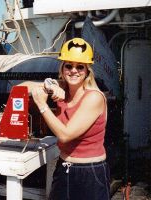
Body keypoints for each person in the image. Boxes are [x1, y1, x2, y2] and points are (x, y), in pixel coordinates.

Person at [31, 38, 110, 200]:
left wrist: (42, 105)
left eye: (80, 66)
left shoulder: (94, 97)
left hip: (90, 172)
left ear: (87, 70)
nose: (74, 70)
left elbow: (65, 135)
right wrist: (49, 85)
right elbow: (21, 87)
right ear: (62, 68)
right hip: (64, 167)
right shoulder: (62, 88)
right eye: (69, 65)